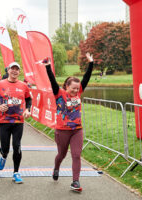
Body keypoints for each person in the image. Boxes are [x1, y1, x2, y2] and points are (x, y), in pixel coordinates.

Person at [44, 52, 93, 192]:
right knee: (62, 154)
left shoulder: (78, 92)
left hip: (77, 129)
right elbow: (52, 80)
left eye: (78, 89)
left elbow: (86, 78)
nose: (76, 91)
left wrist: (91, 63)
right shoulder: (59, 93)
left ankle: (75, 182)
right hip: (62, 131)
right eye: (73, 88)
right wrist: (48, 67)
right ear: (66, 86)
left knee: (76, 155)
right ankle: (56, 167)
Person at [0, 61, 31, 184]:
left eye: (17, 69)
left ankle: (16, 173)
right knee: (6, 148)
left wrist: (28, 109)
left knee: (17, 146)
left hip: (18, 121)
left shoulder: (24, 85)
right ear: (8, 70)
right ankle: (3, 155)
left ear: (19, 71)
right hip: (4, 121)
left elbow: (28, 99)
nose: (14, 71)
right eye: (12, 69)